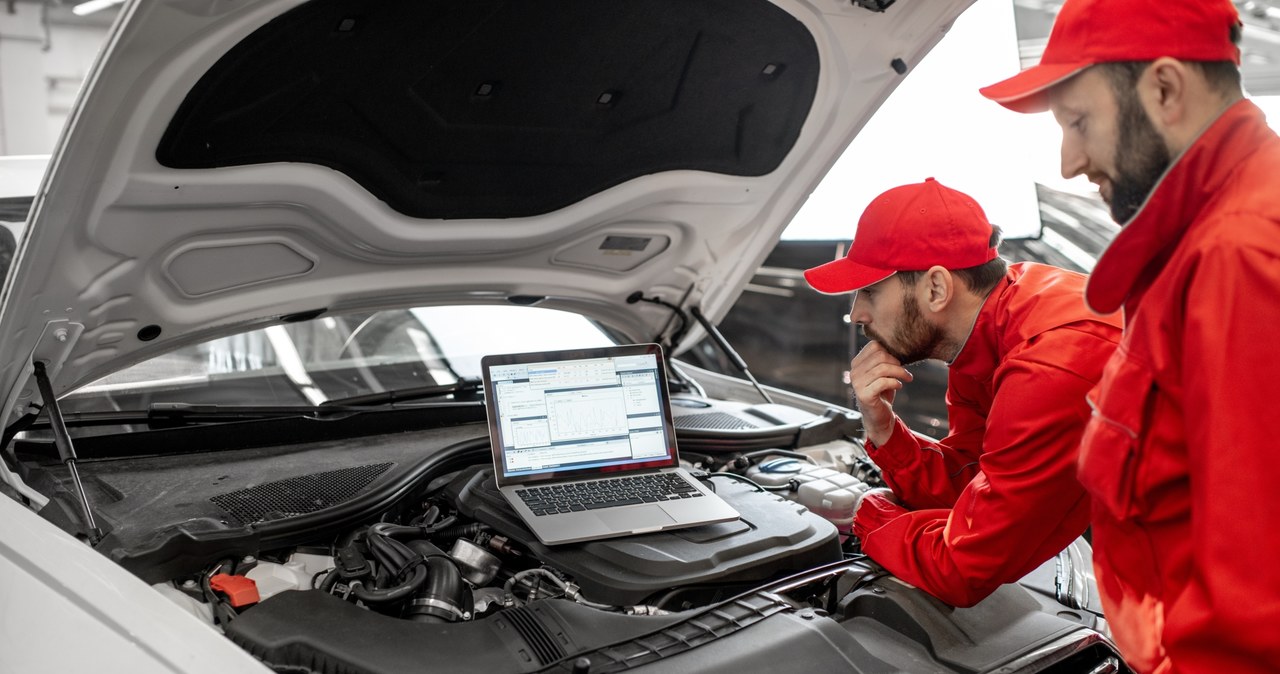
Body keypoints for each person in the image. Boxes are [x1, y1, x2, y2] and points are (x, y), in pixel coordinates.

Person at [980, 1, 1280, 671]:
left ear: (1166, 89)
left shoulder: (1242, 255)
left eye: (1078, 121)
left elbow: (1257, 617)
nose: (1067, 162)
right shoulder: (1202, 242)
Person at [804, 178, 1122, 607]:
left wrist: (862, 511)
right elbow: (973, 483)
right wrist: (883, 430)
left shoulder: (1051, 361)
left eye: (871, 291)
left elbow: (964, 568)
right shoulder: (989, 334)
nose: (856, 312)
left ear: (936, 288)